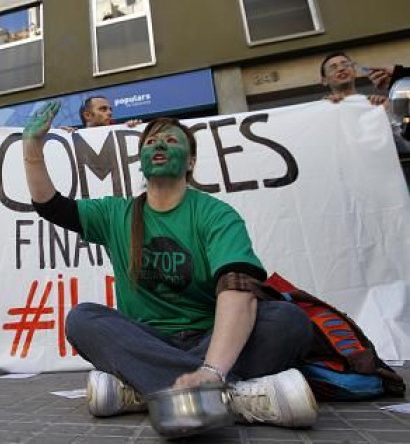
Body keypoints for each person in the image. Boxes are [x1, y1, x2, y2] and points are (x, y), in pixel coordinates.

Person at [22, 101, 319, 430]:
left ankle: (145, 389)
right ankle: (236, 397)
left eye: (171, 140)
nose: (159, 144)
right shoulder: (114, 213)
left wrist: (212, 370)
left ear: (190, 162)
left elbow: (239, 285)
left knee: (289, 320)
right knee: (83, 319)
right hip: (149, 340)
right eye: (150, 142)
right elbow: (51, 206)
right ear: (142, 162)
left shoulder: (216, 214)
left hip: (214, 339)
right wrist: (33, 147)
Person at [320, 52, 387, 106]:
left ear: (354, 72)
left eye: (346, 64)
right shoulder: (321, 108)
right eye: (333, 67)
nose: (341, 69)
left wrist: (385, 105)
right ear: (324, 80)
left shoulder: (373, 102)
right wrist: (325, 105)